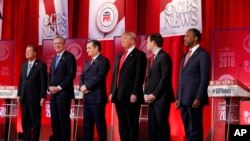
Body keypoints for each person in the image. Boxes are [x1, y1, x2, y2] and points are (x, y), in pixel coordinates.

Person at [110, 31, 147, 141]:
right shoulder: (120, 55)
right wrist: (112, 91)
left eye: (125, 39)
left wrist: (135, 92)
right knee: (122, 124)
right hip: (118, 95)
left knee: (132, 124)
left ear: (132, 40)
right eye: (122, 39)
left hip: (131, 96)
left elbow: (139, 75)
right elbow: (115, 74)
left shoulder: (139, 55)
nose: (122, 41)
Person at [175, 28, 210, 141]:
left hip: (194, 99)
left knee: (195, 130)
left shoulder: (203, 54)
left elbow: (204, 79)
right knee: (188, 130)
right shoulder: (184, 56)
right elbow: (181, 78)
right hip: (183, 100)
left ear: (195, 38)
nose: (184, 38)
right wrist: (178, 97)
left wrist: (198, 98)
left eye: (187, 36)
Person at [144, 33, 175, 141]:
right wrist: (146, 93)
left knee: (161, 125)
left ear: (153, 42)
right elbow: (148, 78)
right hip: (151, 99)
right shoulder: (151, 58)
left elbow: (164, 79)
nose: (146, 44)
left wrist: (154, 94)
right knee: (152, 127)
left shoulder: (164, 57)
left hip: (161, 98)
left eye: (148, 41)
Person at [79, 40, 110, 141]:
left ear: (96, 48)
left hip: (97, 98)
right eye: (86, 48)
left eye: (89, 48)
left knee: (99, 124)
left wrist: (87, 86)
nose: (87, 50)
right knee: (87, 125)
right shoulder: (88, 62)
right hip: (87, 98)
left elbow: (99, 77)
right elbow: (81, 76)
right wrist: (81, 87)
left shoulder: (103, 61)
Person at [48, 36, 76, 141]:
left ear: (64, 44)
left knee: (63, 120)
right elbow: (50, 74)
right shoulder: (54, 58)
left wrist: (59, 87)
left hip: (64, 94)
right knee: (54, 120)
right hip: (53, 94)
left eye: (59, 43)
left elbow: (71, 75)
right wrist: (49, 87)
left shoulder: (69, 57)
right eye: (55, 44)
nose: (57, 45)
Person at [17, 45, 47, 141]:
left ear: (35, 53)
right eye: (26, 51)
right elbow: (21, 81)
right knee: (25, 121)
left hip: (35, 99)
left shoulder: (41, 65)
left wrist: (42, 96)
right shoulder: (24, 65)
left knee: (35, 122)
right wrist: (19, 94)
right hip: (24, 98)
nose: (27, 52)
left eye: (29, 51)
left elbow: (43, 82)